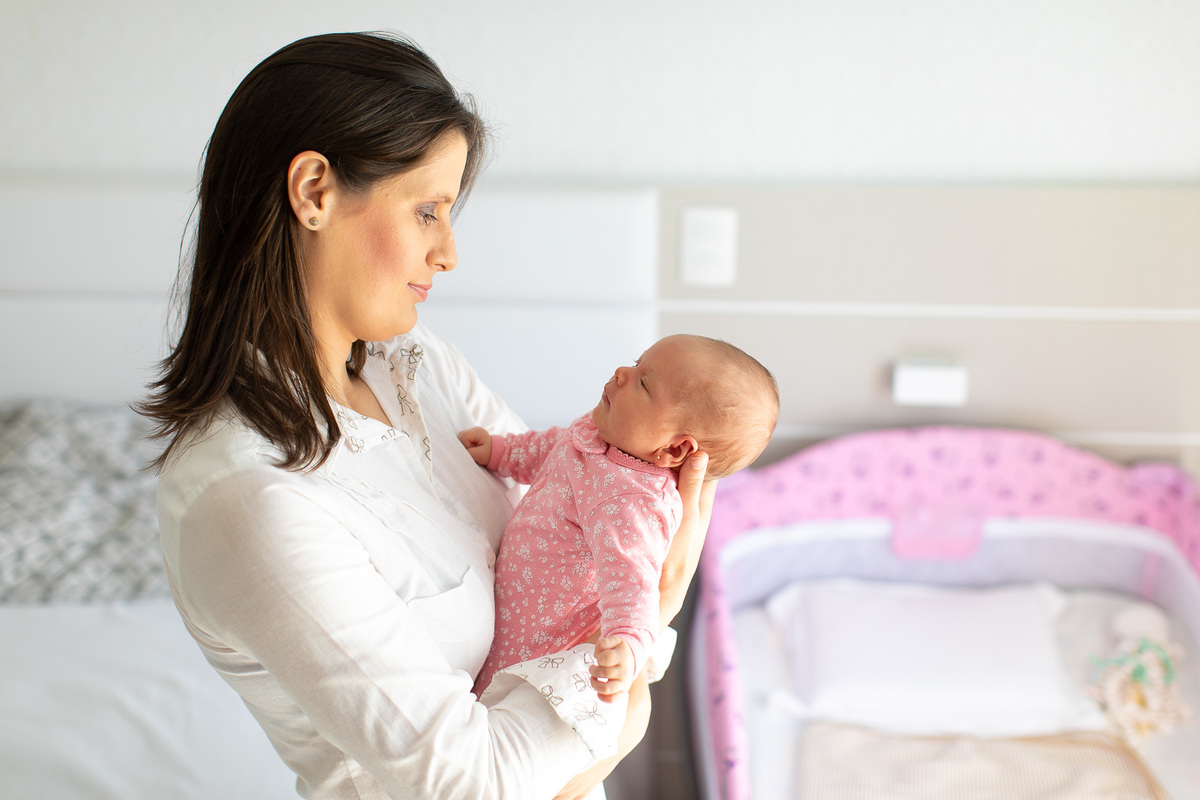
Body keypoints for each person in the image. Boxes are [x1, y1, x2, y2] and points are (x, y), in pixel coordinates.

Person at [137, 32, 716, 800]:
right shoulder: (250, 498)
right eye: (428, 211)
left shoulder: (416, 366)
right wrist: (655, 619)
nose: (448, 253)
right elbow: (478, 784)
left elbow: (567, 495)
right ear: (313, 191)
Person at [462, 335, 778, 700]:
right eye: (636, 363)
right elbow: (556, 447)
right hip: (508, 597)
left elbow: (633, 583)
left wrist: (627, 644)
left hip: (539, 636)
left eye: (643, 383)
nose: (622, 373)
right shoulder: (607, 432)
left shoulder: (633, 503)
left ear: (675, 448)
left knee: (489, 692)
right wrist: (503, 452)